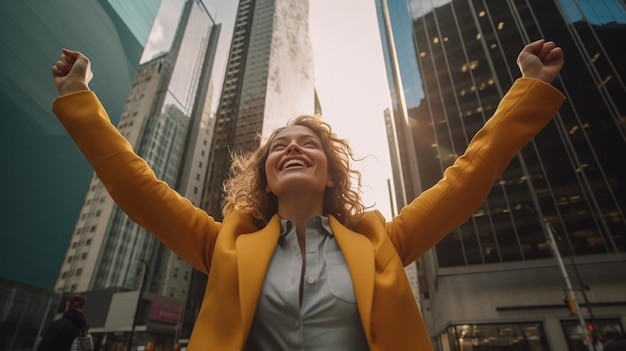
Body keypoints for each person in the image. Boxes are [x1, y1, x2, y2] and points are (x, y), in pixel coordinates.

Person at [50, 38, 565, 350]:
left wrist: (529, 86)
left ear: (330, 174)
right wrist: (79, 96)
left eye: (308, 144)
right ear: (267, 176)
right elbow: (136, 186)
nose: (293, 149)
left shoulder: (381, 241)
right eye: (280, 146)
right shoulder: (222, 244)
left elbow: (466, 178)